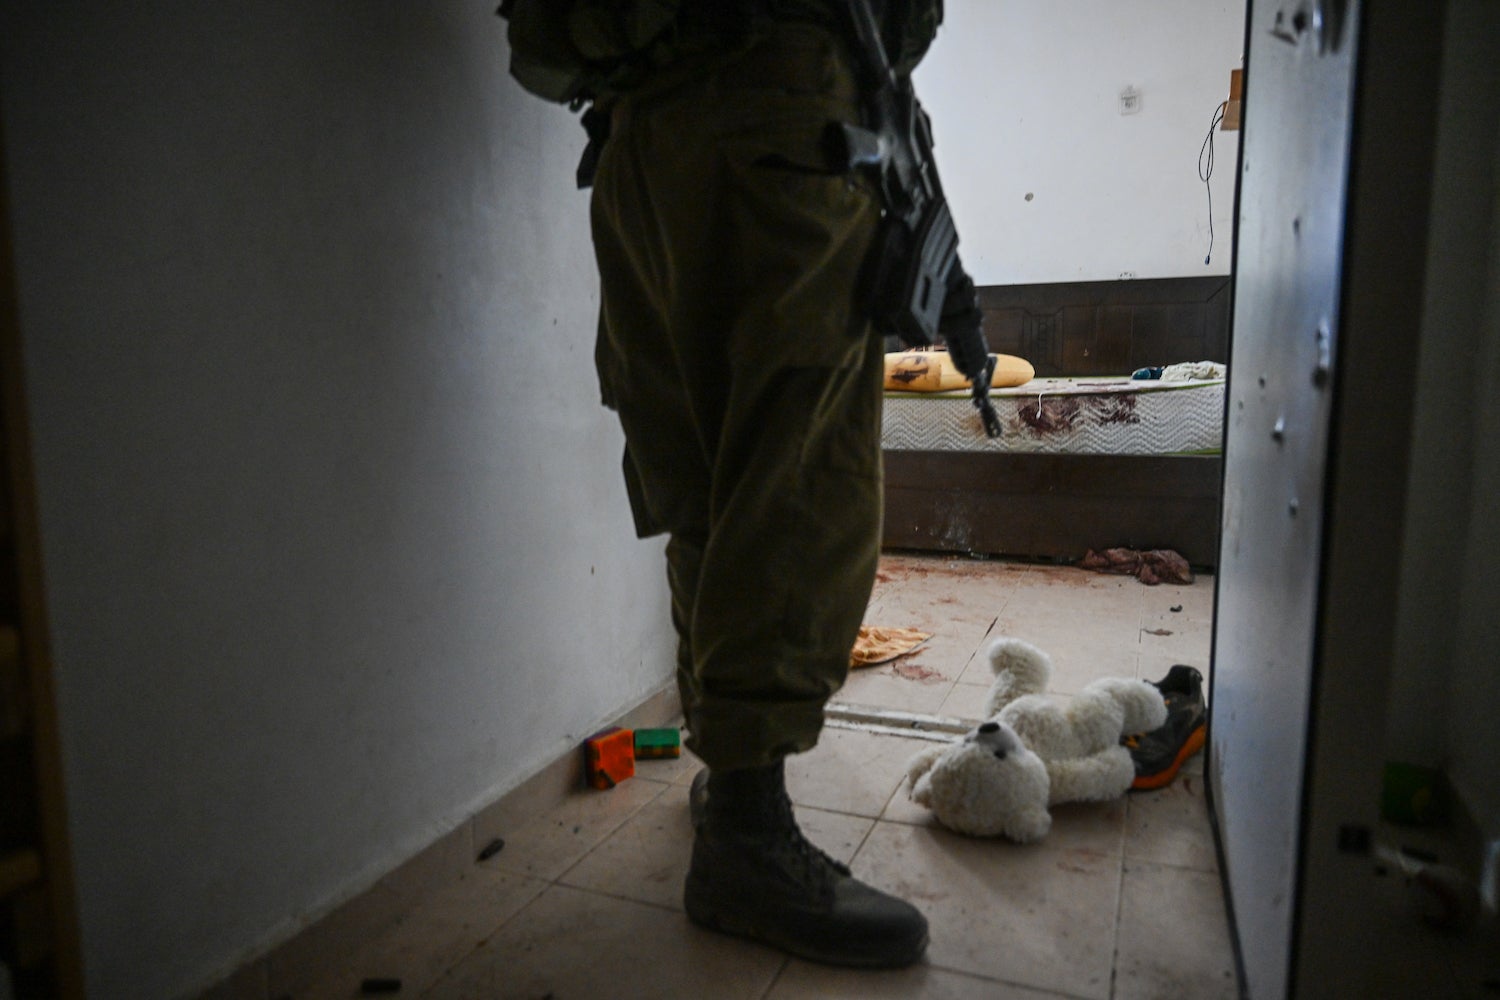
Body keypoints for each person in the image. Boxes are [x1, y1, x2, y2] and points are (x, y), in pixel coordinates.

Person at [580, 0, 953, 967]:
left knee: (703, 480)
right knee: (796, 478)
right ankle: (747, 832)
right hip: (785, 112)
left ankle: (728, 782)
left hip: (634, 139)